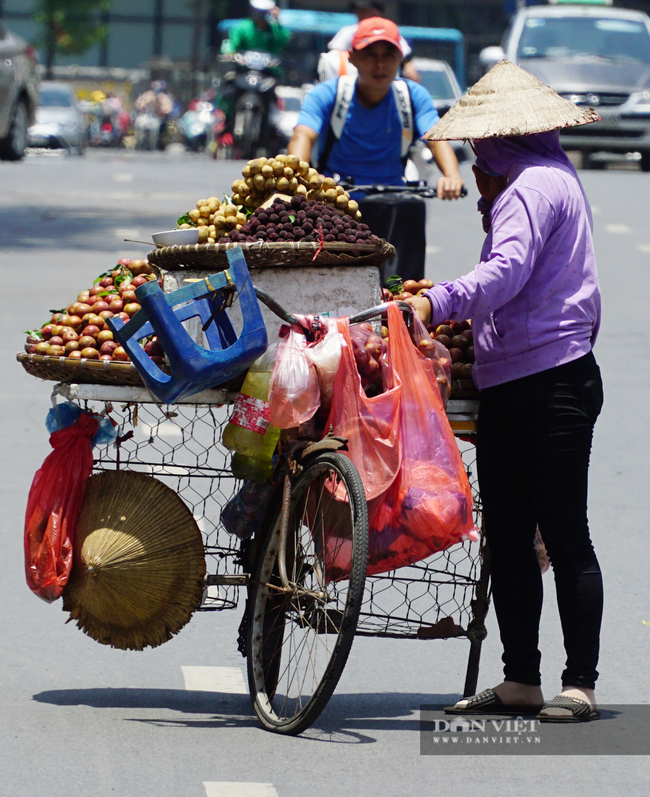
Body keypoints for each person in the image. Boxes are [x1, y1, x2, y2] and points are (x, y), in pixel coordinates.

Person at [406, 60, 604, 723]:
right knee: (512, 536)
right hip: (518, 378)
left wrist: (440, 301)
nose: (475, 160)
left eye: (477, 151)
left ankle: (578, 682)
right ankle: (521, 678)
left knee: (562, 535)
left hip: (549, 383)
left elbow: (508, 270)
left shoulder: (525, 189)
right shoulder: (555, 174)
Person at [288, 17, 463, 282]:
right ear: (352, 58)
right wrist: (295, 181)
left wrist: (452, 176)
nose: (380, 64)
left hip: (395, 203)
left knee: (403, 283)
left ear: (400, 59)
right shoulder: (326, 94)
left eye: (388, 55)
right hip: (337, 202)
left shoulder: (413, 96)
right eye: (370, 55)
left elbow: (436, 137)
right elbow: (303, 136)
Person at [327, 0, 419, 82]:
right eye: (358, 9)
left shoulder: (390, 31)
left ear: (376, 12)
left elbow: (408, 63)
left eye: (364, 9)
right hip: (351, 83)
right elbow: (331, 59)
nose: (359, 12)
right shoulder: (348, 32)